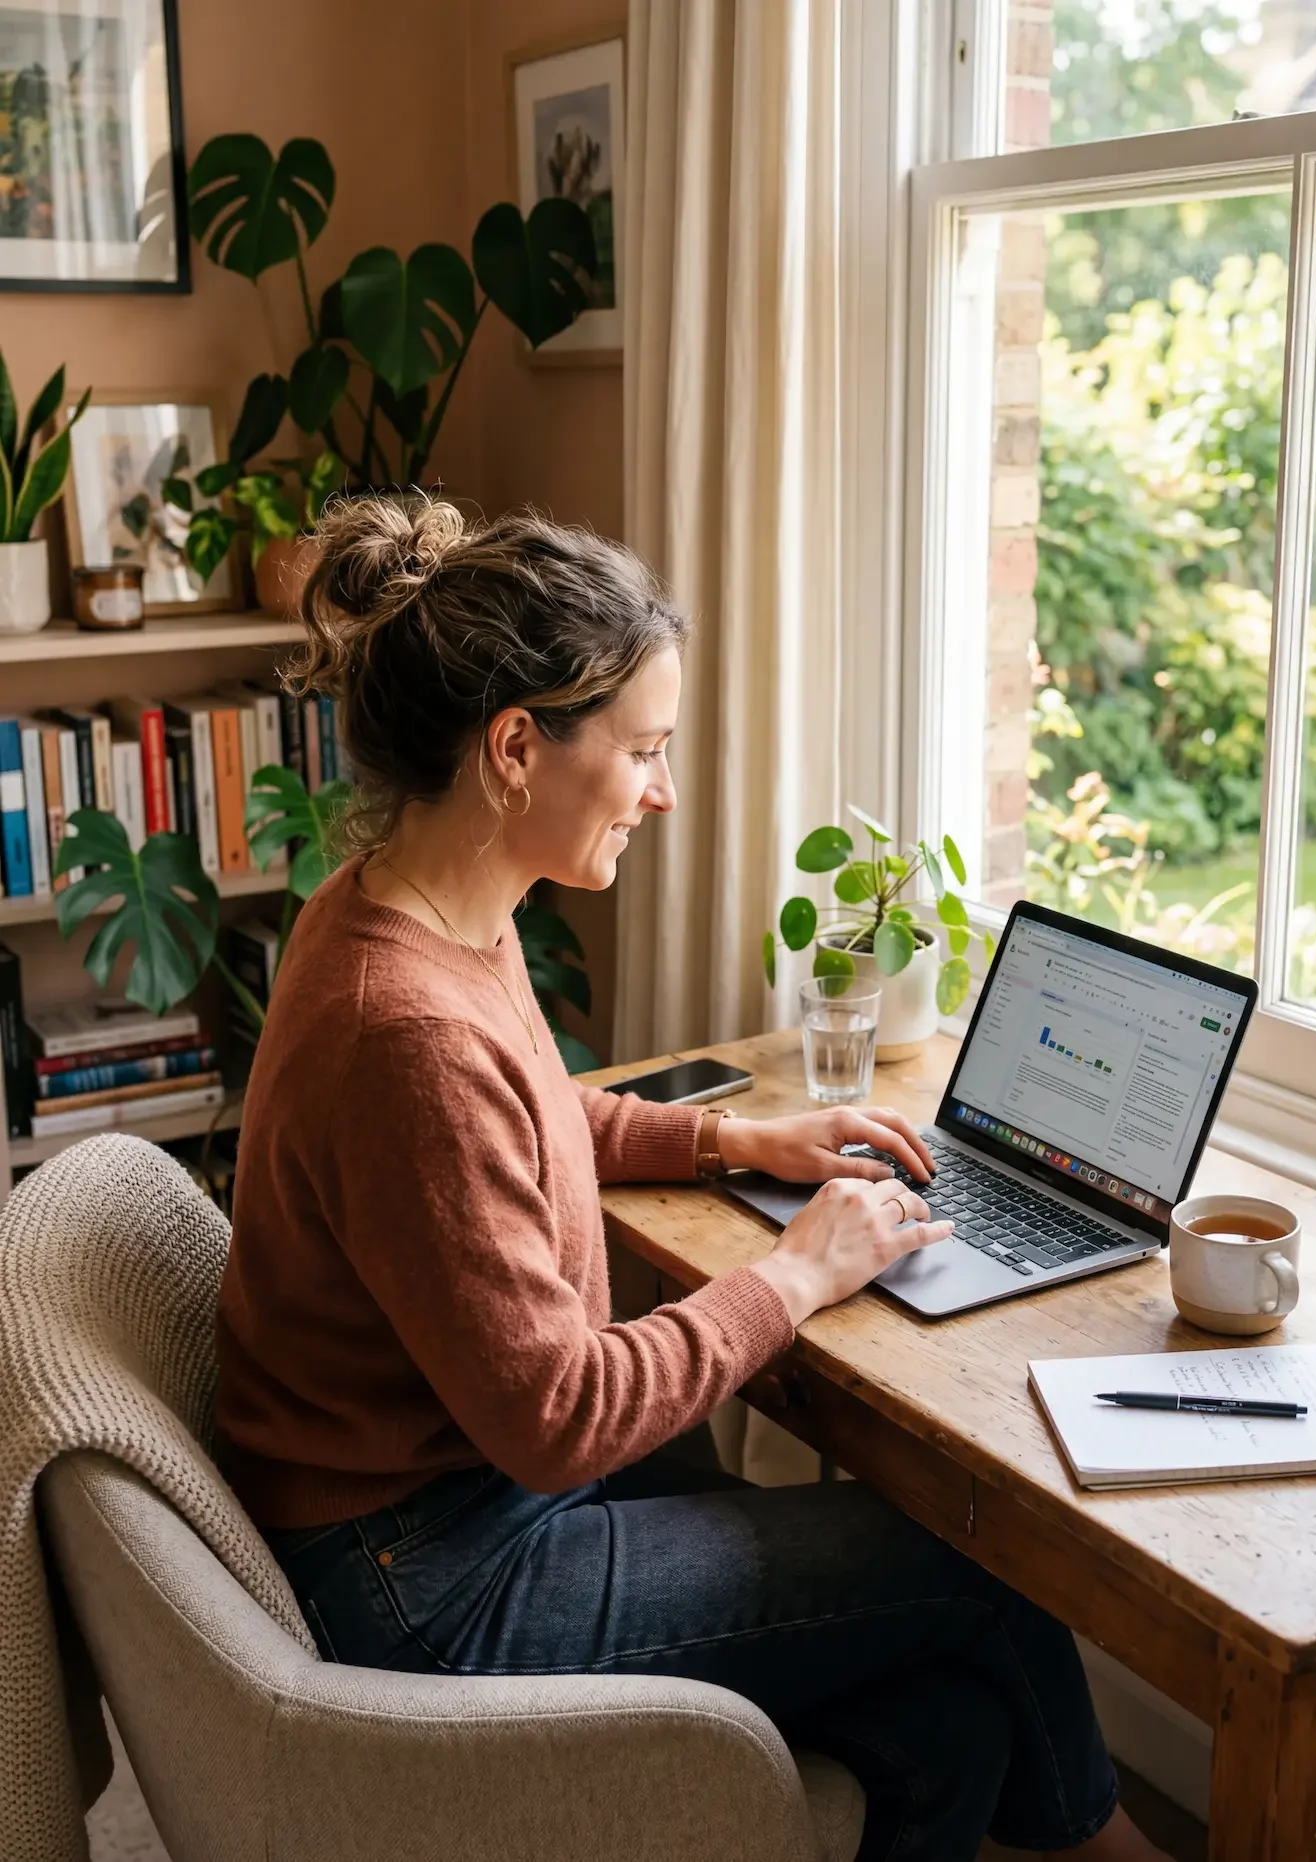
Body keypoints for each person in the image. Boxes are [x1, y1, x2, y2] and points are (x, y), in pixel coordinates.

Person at [216, 495, 1172, 1862]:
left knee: (951, 1720)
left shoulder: (414, 908)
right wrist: (796, 1270)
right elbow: (557, 1415)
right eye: (646, 751)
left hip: (454, 1503)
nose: (665, 792)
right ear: (512, 748)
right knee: (973, 1570)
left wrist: (737, 1141)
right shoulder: (404, 1025)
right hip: (432, 1580)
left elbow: (531, 1117)